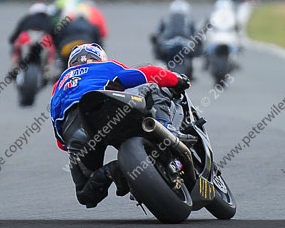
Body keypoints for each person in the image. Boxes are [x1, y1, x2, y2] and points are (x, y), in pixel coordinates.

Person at [50, 43, 191, 208]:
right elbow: (149, 73)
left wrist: (74, 143)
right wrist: (177, 79)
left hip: (75, 131)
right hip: (109, 113)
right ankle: (166, 127)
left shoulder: (59, 84)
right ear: (100, 58)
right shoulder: (106, 66)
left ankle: (112, 170)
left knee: (86, 195)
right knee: (154, 86)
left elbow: (60, 138)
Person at [8, 3, 56, 74]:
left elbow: (16, 33)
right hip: (44, 39)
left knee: (16, 45)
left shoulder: (26, 18)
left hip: (26, 38)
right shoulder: (48, 20)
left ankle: (15, 65)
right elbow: (54, 34)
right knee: (51, 49)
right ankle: (49, 69)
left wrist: (12, 40)